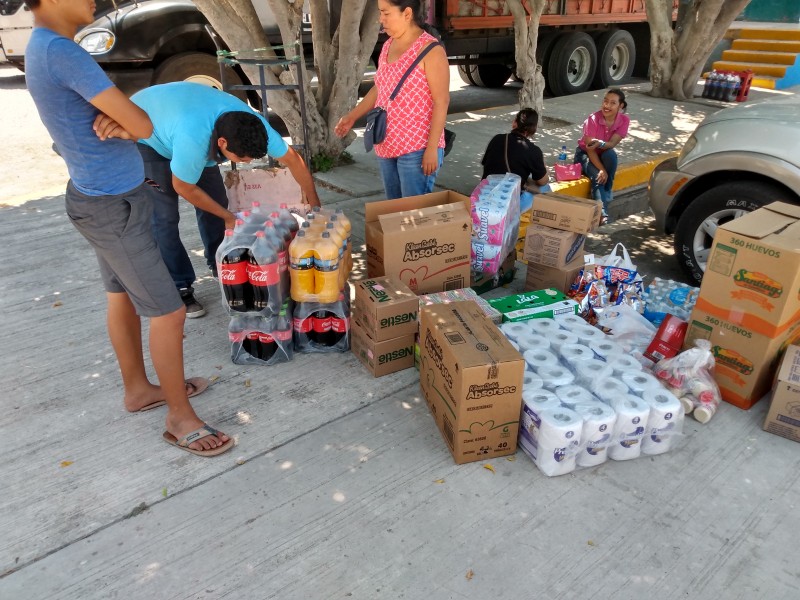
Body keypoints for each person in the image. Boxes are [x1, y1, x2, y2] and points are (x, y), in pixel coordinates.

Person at [24, 0, 232, 457]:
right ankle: (180, 418)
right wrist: (126, 122)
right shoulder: (63, 52)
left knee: (120, 296)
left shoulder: (40, 46)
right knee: (169, 311)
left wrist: (124, 121)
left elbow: (126, 121)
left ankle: (139, 389)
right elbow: (142, 122)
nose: (95, 1)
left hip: (99, 196)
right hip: (112, 206)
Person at [94, 82, 322, 319]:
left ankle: (221, 264)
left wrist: (314, 204)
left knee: (216, 204)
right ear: (222, 144)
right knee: (163, 218)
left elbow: (294, 160)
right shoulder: (194, 138)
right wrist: (228, 217)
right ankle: (180, 286)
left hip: (184, 116)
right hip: (146, 135)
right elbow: (182, 187)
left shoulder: (255, 126)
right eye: (241, 158)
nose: (245, 163)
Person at [334, 0, 449, 199]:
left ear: (407, 13)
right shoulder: (388, 45)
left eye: (386, 13)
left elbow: (442, 102)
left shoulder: (431, 51)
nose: (381, 19)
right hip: (387, 144)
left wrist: (432, 149)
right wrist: (352, 116)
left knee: (413, 217)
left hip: (418, 148)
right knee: (394, 213)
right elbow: (381, 88)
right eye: (380, 13)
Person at [574, 88, 630, 222]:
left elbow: (612, 144)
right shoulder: (592, 119)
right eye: (605, 101)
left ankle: (607, 188)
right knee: (598, 177)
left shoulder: (624, 120)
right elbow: (590, 149)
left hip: (603, 153)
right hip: (585, 154)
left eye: (612, 103)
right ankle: (603, 214)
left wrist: (601, 143)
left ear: (620, 106)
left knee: (611, 155)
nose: (607, 106)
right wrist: (602, 170)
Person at [480, 108, 550, 212]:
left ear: (514, 123)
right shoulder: (534, 151)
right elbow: (543, 181)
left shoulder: (497, 139)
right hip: (506, 206)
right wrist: (543, 165)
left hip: (484, 197)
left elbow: (486, 164)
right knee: (545, 188)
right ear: (534, 129)